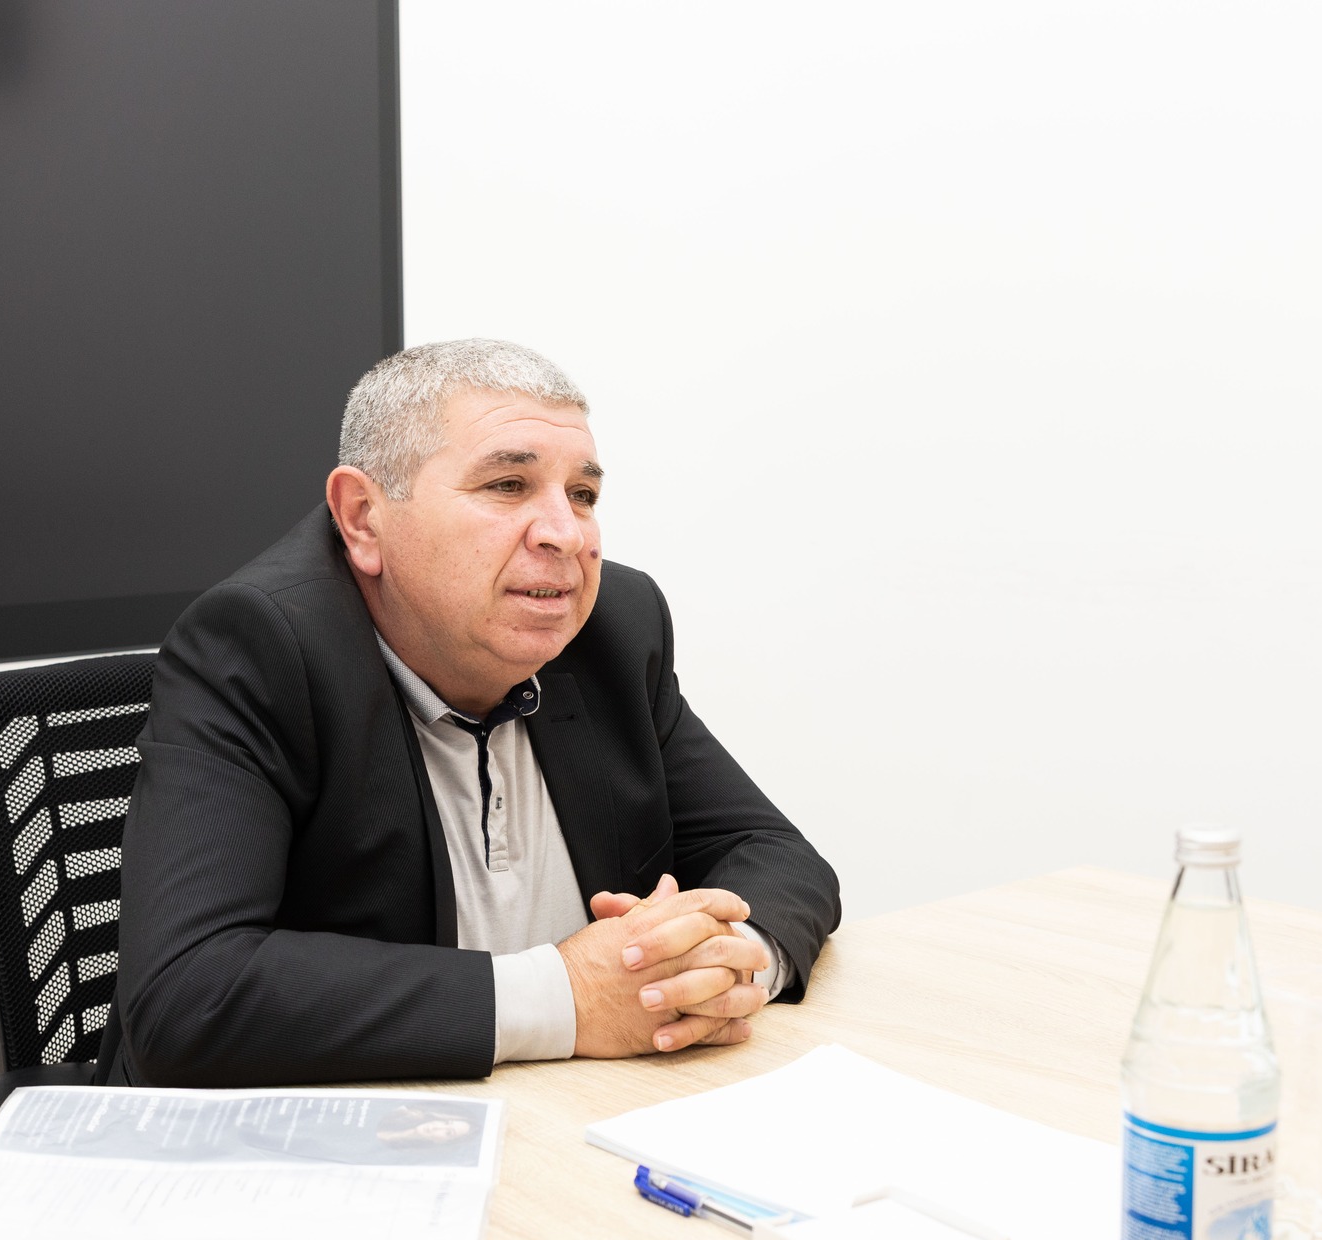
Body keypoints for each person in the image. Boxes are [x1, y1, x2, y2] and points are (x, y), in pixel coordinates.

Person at [97, 339, 840, 1087]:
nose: (566, 534)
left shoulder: (614, 627)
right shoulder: (258, 647)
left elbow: (774, 852)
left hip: (560, 1111)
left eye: (583, 495)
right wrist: (569, 996)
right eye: (509, 485)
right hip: (307, 1134)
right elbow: (188, 994)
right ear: (363, 518)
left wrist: (724, 964)